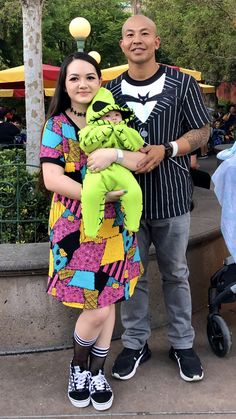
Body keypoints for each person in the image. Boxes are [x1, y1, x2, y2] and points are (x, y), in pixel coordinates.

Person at [104, 14, 210, 382]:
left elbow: (202, 131)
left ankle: (183, 344)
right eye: (129, 35)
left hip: (172, 198)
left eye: (144, 33)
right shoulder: (110, 91)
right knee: (132, 277)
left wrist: (167, 148)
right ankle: (135, 343)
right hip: (126, 203)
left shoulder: (182, 84)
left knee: (176, 273)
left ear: (156, 41)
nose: (137, 40)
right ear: (122, 45)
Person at [39, 52, 143, 411]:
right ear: (64, 86)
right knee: (94, 306)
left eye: (90, 77)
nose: (83, 84)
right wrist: (97, 194)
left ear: (100, 82)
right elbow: (51, 178)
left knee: (109, 298)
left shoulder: (113, 116)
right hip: (75, 226)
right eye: (74, 78)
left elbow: (138, 158)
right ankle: (77, 366)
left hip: (116, 227)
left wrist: (113, 154)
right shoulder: (56, 126)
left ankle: (96, 371)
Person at [79, 86, 144, 238]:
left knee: (134, 191)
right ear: (97, 117)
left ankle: (133, 224)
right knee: (90, 194)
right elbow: (87, 143)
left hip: (121, 170)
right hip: (97, 172)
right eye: (107, 115)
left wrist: (120, 131)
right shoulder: (90, 130)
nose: (114, 118)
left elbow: (137, 144)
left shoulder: (125, 129)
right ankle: (91, 229)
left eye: (116, 114)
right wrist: (107, 129)